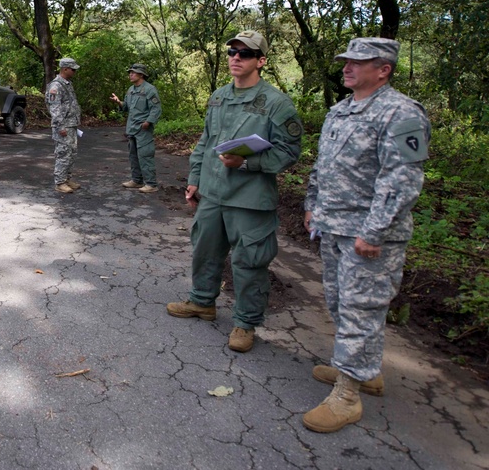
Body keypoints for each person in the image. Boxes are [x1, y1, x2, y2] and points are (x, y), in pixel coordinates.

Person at [302, 37, 430, 434]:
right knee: (340, 302)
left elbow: (403, 179)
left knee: (362, 308)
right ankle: (363, 371)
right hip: (334, 225)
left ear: (384, 69)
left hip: (370, 235)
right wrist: (311, 204)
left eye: (358, 62)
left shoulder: (403, 113)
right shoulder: (339, 111)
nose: (347, 68)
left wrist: (375, 231)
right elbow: (323, 164)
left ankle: (347, 396)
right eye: (346, 62)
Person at [166, 30, 303, 353]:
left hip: (250, 199)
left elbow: (289, 151)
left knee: (249, 262)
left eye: (245, 53)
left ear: (261, 61)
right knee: (205, 250)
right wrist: (195, 178)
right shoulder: (219, 96)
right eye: (232, 52)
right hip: (213, 193)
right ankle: (202, 302)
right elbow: (206, 141)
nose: (236, 58)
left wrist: (246, 163)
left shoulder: (275, 103)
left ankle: (245, 323)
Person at [111, 63, 162, 193]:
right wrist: (118, 102)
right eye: (130, 72)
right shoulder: (131, 90)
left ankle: (151, 184)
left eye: (133, 72)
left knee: (145, 155)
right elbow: (126, 107)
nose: (130, 74)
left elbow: (156, 109)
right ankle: (137, 180)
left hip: (143, 128)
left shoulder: (149, 90)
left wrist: (149, 122)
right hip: (132, 128)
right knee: (133, 155)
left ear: (141, 74)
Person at [46, 57, 82, 194]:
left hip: (71, 124)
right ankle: (60, 182)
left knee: (71, 153)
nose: (74, 72)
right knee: (63, 153)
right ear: (65, 69)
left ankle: (67, 178)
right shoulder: (56, 86)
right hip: (63, 126)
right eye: (72, 69)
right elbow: (55, 109)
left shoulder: (67, 84)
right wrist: (60, 127)